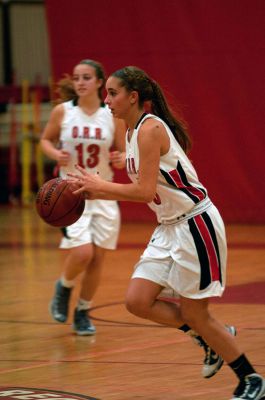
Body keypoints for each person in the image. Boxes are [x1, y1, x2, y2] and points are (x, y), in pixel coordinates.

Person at [68, 66, 265, 399]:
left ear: (133, 97)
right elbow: (145, 189)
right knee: (137, 301)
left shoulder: (150, 129)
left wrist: (100, 186)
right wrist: (92, 189)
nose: (107, 99)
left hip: (195, 224)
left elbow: (144, 191)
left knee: (195, 313)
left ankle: (250, 379)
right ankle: (210, 336)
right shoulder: (130, 133)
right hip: (169, 226)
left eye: (113, 93)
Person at [40, 59, 126, 336]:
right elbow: (45, 140)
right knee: (82, 253)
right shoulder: (62, 112)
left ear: (100, 82)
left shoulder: (112, 115)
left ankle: (83, 311)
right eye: (77, 77)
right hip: (70, 193)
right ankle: (64, 287)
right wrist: (56, 154)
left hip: (103, 191)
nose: (80, 82)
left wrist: (120, 158)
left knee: (98, 259)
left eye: (86, 77)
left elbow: (125, 155)